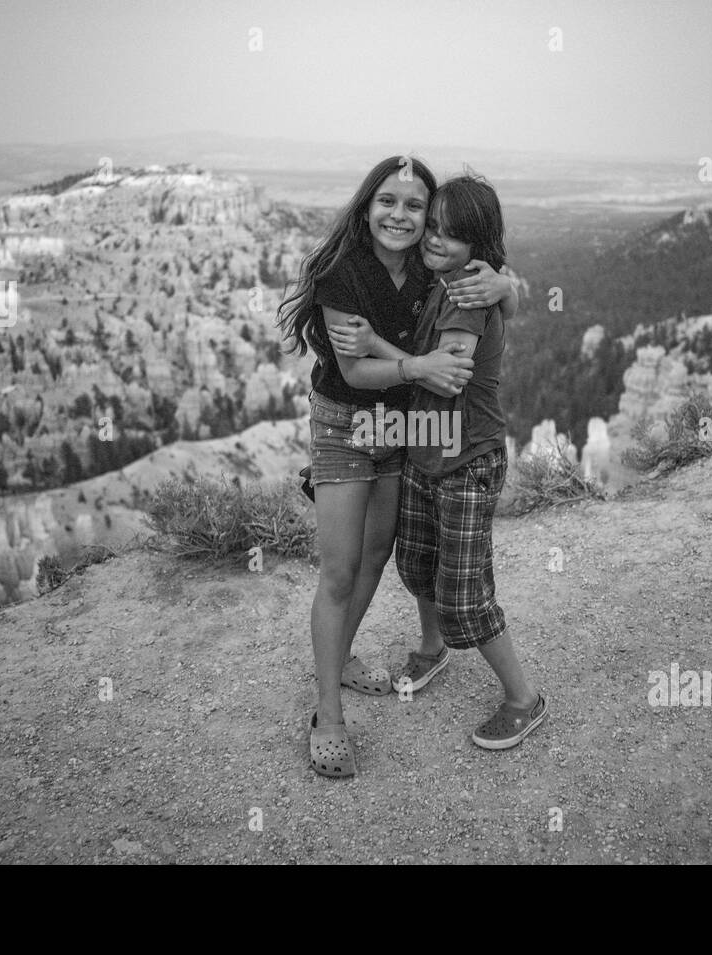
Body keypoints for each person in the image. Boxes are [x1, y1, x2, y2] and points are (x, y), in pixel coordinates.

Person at [276, 156, 516, 777]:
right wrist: (417, 366)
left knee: (381, 554)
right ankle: (327, 713)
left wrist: (507, 285)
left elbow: (479, 275)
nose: (402, 217)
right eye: (388, 201)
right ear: (366, 205)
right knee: (339, 570)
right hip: (347, 425)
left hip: (406, 429)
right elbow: (356, 372)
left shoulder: (429, 266)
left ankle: (344, 655)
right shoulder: (341, 272)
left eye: (416, 207)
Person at [331, 173, 545, 750]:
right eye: (436, 226)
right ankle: (431, 650)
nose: (436, 240)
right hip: (425, 452)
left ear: (478, 246)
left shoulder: (469, 293)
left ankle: (524, 698)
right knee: (418, 566)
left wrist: (375, 345)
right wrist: (510, 286)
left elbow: (447, 378)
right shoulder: (442, 278)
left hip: (468, 459)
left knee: (464, 595)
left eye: (455, 235)